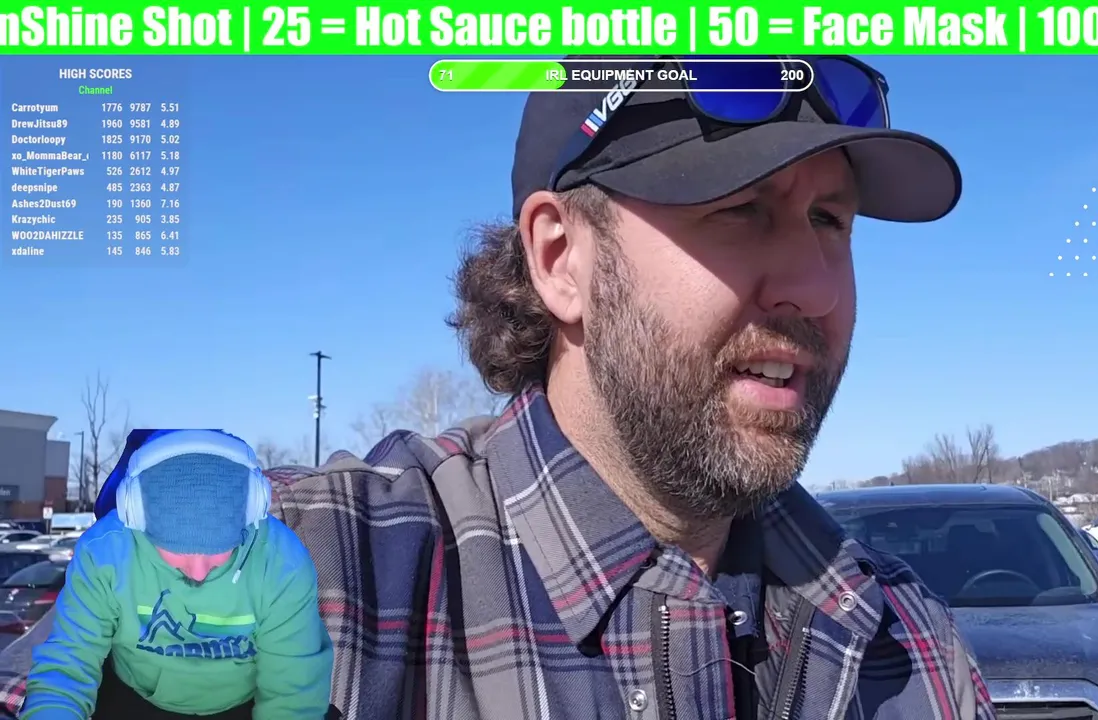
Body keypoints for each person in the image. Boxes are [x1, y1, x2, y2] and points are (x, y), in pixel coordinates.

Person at [0, 56, 994, 719]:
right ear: (560, 260)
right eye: (740, 209)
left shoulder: (899, 638)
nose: (816, 288)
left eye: (830, 221)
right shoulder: (318, 579)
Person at [17, 429, 333, 719]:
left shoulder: (282, 563)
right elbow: (68, 666)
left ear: (252, 510)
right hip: (130, 698)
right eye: (177, 551)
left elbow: (293, 695)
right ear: (134, 513)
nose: (198, 573)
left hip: (243, 706)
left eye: (219, 549)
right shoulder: (104, 553)